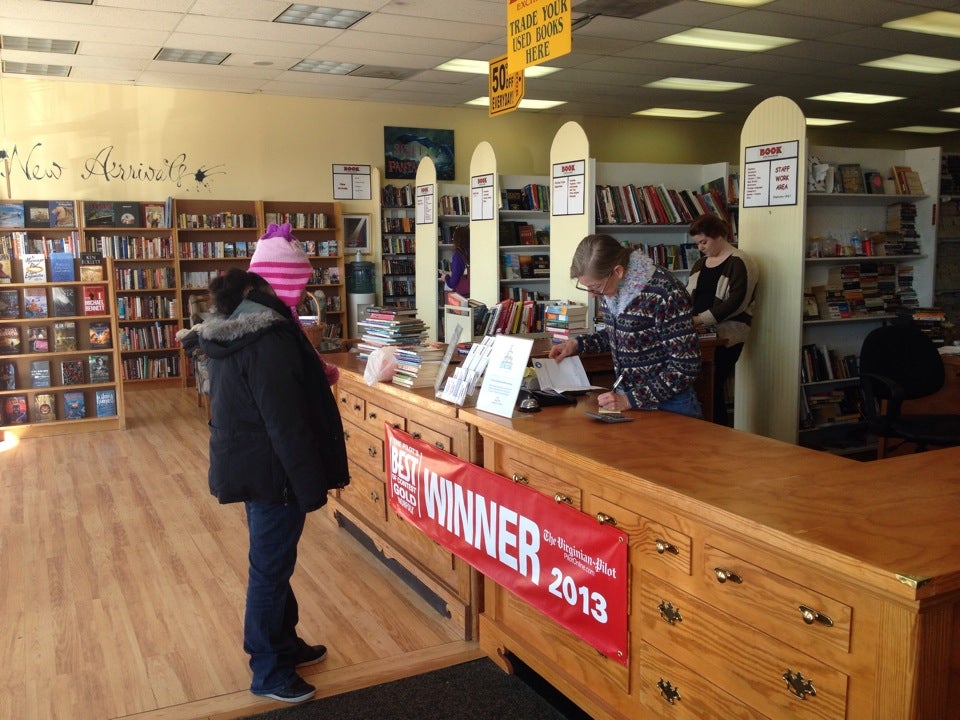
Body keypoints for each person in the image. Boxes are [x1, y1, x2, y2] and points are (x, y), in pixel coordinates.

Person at [197, 225, 349, 704]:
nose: (303, 294)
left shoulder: (245, 321)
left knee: (274, 561)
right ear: (283, 283)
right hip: (274, 470)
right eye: (300, 284)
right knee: (269, 567)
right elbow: (286, 421)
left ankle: (283, 643)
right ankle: (268, 669)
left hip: (254, 461)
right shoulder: (269, 336)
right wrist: (310, 485)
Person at [549, 233, 702, 418]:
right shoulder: (612, 288)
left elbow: (685, 366)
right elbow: (620, 335)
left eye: (595, 287)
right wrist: (578, 344)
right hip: (630, 400)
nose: (592, 295)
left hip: (671, 405)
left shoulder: (666, 293)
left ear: (618, 271)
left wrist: (630, 400)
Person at [685, 213, 759, 426]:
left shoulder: (741, 261)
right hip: (700, 332)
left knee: (714, 385)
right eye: (697, 243)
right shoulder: (700, 264)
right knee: (702, 386)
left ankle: (719, 432)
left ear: (718, 236)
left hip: (728, 334)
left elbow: (737, 302)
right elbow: (688, 294)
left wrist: (699, 320)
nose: (700, 247)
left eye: (704, 242)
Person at [440, 225, 470, 296]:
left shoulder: (458, 255)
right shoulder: (473, 251)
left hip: (464, 296)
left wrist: (445, 277)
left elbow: (452, 283)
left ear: (457, 239)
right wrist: (451, 274)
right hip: (476, 291)